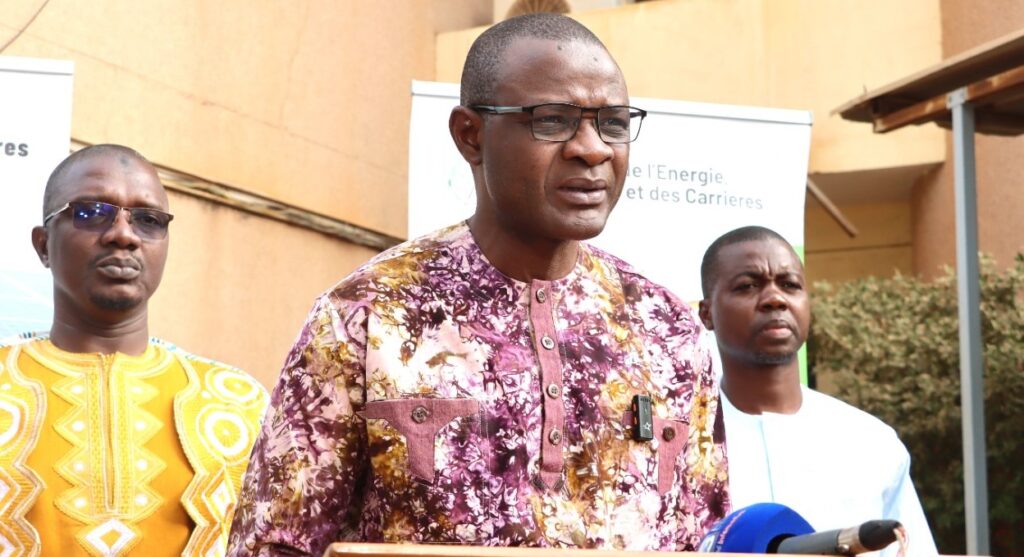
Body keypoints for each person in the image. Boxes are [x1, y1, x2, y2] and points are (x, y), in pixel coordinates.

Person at [228, 13, 728, 557]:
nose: (593, 148)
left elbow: (706, 540)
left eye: (612, 123)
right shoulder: (367, 315)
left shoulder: (667, 329)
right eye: (552, 120)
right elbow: (273, 545)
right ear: (471, 135)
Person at [0, 144, 268, 556]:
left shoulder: (241, 405)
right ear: (43, 245)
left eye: (148, 220)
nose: (123, 235)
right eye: (91, 212)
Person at [697, 226, 937, 556]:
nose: (775, 299)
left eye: (790, 285)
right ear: (706, 313)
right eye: (748, 286)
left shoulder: (871, 442)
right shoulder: (678, 445)